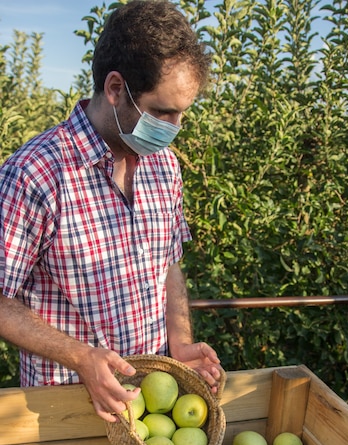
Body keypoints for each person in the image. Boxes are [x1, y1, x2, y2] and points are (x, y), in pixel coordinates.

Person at [0, 0, 222, 423]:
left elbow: (168, 263)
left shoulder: (164, 166)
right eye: (162, 112)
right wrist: (81, 356)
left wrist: (181, 340)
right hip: (69, 405)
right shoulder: (36, 174)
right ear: (116, 88)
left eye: (181, 114)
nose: (174, 126)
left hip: (156, 405)